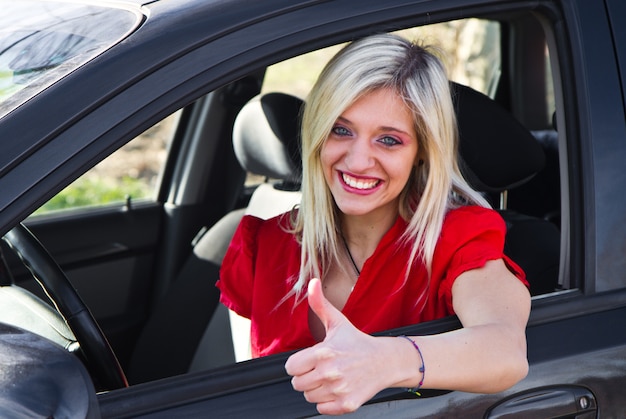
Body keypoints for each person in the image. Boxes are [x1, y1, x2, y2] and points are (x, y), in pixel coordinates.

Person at [217, 33, 530, 415]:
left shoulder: (456, 239)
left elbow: (505, 350)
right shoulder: (263, 245)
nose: (359, 161)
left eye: (388, 140)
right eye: (341, 130)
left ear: (421, 153)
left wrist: (384, 361)